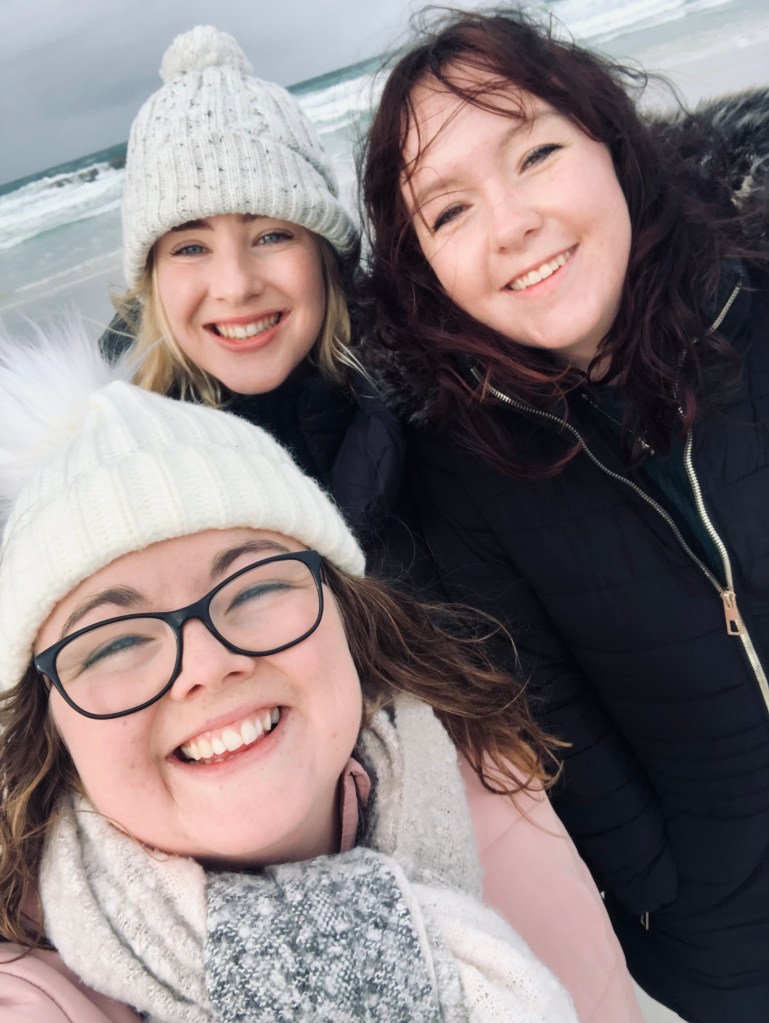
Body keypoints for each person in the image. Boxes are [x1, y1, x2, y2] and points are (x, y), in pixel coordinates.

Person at [0, 323, 642, 1022]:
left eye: (253, 588)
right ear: (47, 720)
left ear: (347, 614)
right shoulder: (34, 994)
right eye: (114, 642)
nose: (208, 665)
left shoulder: (486, 766)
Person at [358, 7, 769, 1023]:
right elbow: (551, 721)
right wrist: (669, 897)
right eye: (449, 211)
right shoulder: (465, 472)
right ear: (424, 271)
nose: (510, 225)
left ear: (611, 143)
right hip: (725, 940)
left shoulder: (755, 309)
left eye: (534, 154)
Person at [105, 24, 410, 572]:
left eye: (271, 236)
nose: (236, 285)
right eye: (191, 247)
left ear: (325, 255)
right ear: (151, 283)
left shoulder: (445, 405)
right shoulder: (113, 499)